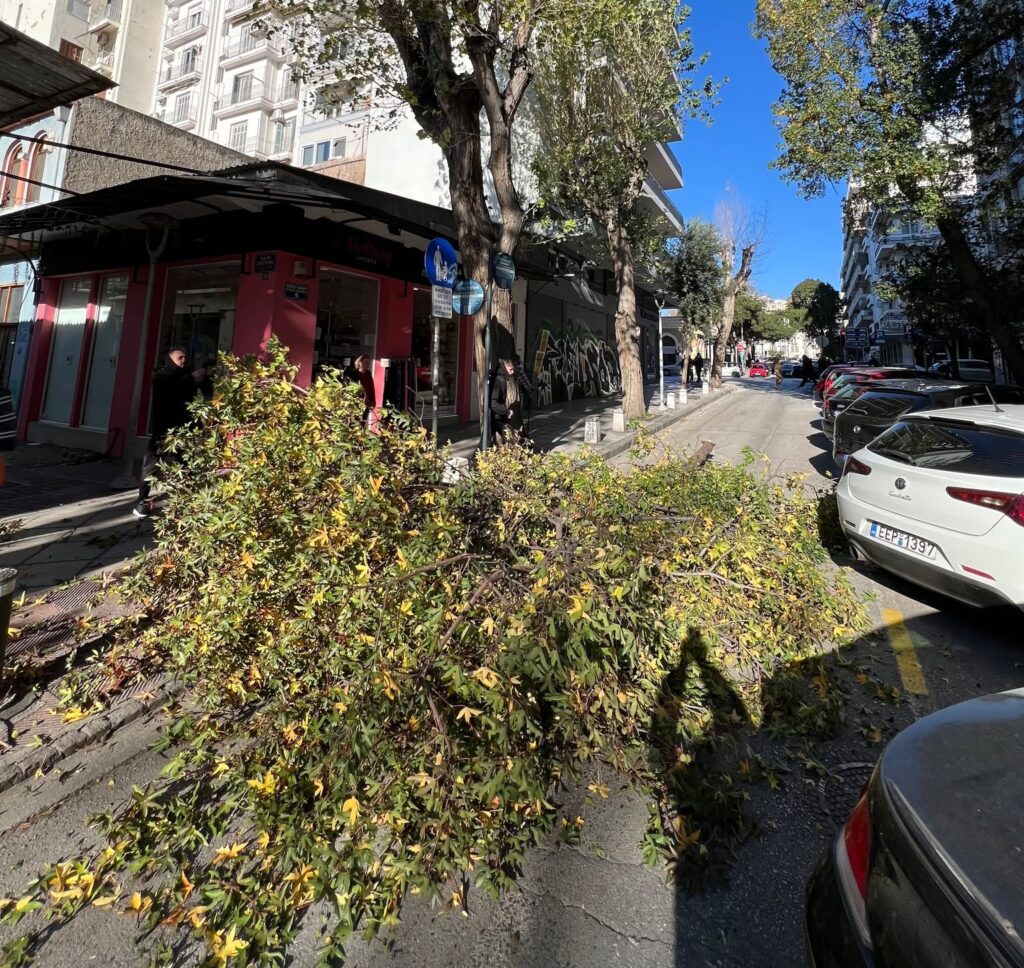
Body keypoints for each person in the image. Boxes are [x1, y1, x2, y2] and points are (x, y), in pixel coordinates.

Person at [133, 347, 204, 519]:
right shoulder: (161, 375)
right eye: (180, 358)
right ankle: (142, 501)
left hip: (182, 431)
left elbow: (189, 398)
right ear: (169, 359)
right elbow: (172, 390)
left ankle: (188, 501)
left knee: (186, 466)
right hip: (164, 432)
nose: (183, 360)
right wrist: (191, 378)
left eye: (185, 357)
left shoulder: (184, 376)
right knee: (151, 468)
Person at [490, 357, 523, 441]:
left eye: (513, 370)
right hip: (494, 416)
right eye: (511, 369)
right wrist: (506, 411)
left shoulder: (501, 378)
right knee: (510, 437)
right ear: (505, 366)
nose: (512, 372)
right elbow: (492, 402)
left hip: (496, 415)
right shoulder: (499, 380)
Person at [354, 356, 375, 424]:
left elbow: (371, 388)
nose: (367, 365)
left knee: (363, 422)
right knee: (355, 421)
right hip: (357, 402)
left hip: (366, 402)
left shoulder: (368, 374)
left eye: (368, 363)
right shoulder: (354, 374)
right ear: (360, 363)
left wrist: (373, 401)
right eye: (366, 362)